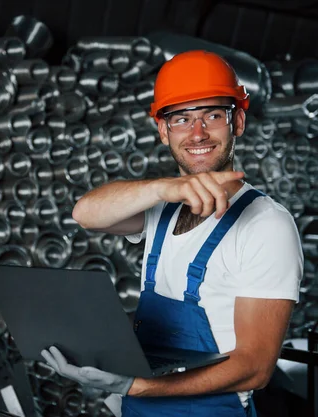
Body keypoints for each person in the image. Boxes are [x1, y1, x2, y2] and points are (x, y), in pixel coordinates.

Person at [41, 50, 303, 416]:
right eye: (181, 119)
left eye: (212, 115)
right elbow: (86, 213)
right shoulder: (162, 209)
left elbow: (255, 368)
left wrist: (137, 387)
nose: (198, 133)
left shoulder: (266, 224)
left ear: (238, 122)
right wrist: (163, 189)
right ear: (163, 131)